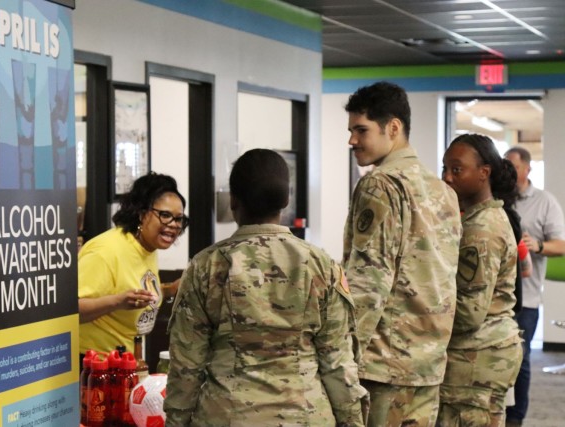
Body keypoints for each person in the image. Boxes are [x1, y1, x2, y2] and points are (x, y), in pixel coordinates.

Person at [165, 149, 368, 427]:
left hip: (227, 416)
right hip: (307, 416)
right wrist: (352, 421)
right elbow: (338, 362)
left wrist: (176, 422)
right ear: (286, 201)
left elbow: (186, 367)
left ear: (233, 200)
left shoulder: (205, 267)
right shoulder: (322, 266)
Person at [342, 81, 462, 426]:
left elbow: (369, 281)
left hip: (384, 364)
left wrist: (342, 356)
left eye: (361, 130)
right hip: (428, 361)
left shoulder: (381, 184)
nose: (352, 140)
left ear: (393, 128)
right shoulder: (442, 190)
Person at [438, 134, 523, 426]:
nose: (448, 177)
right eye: (445, 169)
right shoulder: (481, 219)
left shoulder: (480, 230)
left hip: (475, 358)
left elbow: (468, 313)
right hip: (482, 354)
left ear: (484, 172)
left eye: (457, 169)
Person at [78, 172, 188, 358]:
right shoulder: (106, 250)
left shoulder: (147, 248)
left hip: (127, 361)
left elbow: (130, 287)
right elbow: (72, 312)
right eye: (165, 215)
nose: (174, 225)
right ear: (141, 214)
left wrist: (169, 290)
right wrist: (118, 302)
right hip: (94, 366)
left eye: (178, 219)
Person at [504, 146, 565, 426]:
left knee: (522, 360)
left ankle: (516, 418)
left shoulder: (544, 201)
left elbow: (560, 245)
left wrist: (537, 245)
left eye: (513, 166)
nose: (507, 171)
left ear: (527, 169)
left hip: (525, 298)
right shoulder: (496, 198)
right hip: (494, 298)